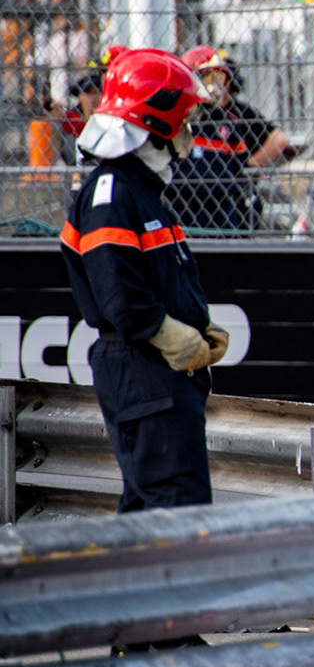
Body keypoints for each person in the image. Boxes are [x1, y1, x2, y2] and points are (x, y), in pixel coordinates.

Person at [61, 48, 228, 513]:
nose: (190, 133)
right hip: (142, 373)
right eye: (184, 120)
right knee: (173, 513)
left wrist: (195, 322)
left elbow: (163, 279)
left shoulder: (141, 194)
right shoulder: (112, 194)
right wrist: (169, 333)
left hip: (156, 377)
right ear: (156, 125)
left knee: (152, 513)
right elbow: (119, 290)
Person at [169, 46, 293, 233]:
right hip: (181, 209)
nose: (215, 86)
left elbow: (242, 163)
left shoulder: (230, 121)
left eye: (220, 79)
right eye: (209, 78)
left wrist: (249, 169)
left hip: (221, 212)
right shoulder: (176, 120)